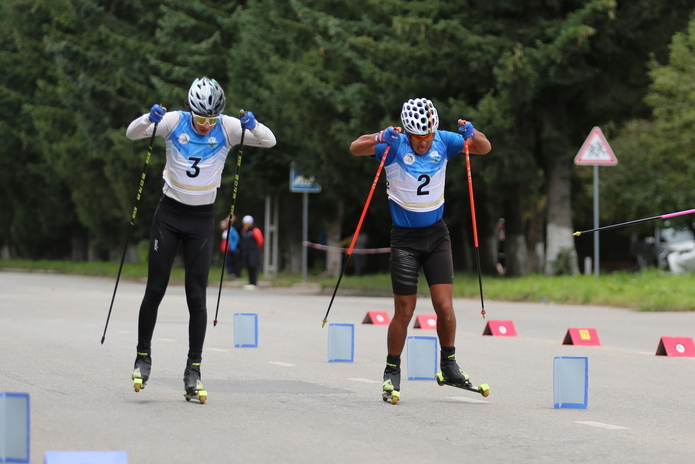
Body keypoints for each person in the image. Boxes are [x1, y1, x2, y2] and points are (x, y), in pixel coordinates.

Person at [125, 77, 276, 401]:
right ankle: (143, 357)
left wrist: (254, 125)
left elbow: (269, 141)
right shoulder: (173, 121)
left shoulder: (228, 127)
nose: (206, 125)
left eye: (210, 119)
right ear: (191, 110)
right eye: (200, 118)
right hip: (168, 215)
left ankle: (193, 369)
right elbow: (132, 133)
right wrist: (147, 120)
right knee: (156, 288)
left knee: (197, 296)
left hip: (201, 221)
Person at [349, 97, 491, 404]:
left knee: (444, 306)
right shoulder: (396, 145)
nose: (424, 143)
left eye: (427, 137)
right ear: (408, 133)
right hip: (405, 240)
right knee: (405, 310)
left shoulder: (444, 140)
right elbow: (355, 147)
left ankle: (449, 365)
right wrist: (378, 137)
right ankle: (391, 370)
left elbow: (483, 147)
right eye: (418, 138)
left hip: (437, 236)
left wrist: (473, 134)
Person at [239, 215, 264, 289]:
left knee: (253, 265)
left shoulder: (255, 230)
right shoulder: (244, 231)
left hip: (253, 251)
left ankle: (254, 282)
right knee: (248, 266)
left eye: (248, 222)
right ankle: (250, 281)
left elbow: (260, 241)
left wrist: (256, 248)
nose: (246, 224)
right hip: (246, 251)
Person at [220, 215, 240, 279]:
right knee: (228, 261)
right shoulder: (225, 231)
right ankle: (230, 273)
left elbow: (236, 238)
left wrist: (233, 246)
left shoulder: (231, 230)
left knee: (232, 261)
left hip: (231, 249)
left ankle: (233, 273)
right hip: (226, 249)